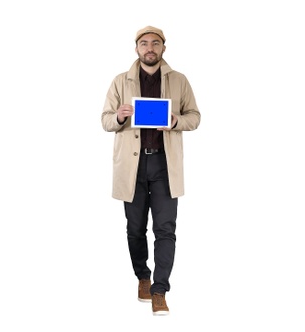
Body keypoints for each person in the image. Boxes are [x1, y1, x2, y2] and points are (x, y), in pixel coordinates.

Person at [101, 26, 200, 316]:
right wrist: (118, 116)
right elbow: (105, 121)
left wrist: (175, 121)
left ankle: (160, 290)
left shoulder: (179, 81)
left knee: (165, 228)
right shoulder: (121, 81)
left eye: (155, 43)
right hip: (131, 165)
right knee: (134, 228)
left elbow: (195, 117)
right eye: (144, 43)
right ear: (136, 49)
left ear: (163, 49)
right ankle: (142, 277)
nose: (150, 48)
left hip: (164, 164)